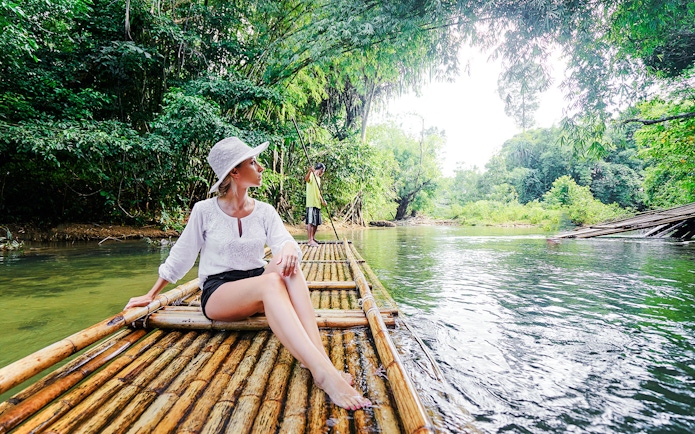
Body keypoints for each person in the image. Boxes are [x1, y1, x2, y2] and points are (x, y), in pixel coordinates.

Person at [124, 137, 370, 411]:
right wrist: (151, 294)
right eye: (253, 162)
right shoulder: (204, 211)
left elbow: (285, 241)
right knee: (272, 282)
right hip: (220, 293)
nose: (261, 167)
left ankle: (319, 361)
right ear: (234, 172)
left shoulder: (265, 211)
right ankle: (324, 373)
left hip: (258, 282)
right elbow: (181, 255)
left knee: (288, 267)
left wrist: (289, 248)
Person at [305, 162, 327, 247]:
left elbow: (318, 192)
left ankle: (313, 238)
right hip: (311, 202)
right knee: (310, 222)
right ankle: (310, 240)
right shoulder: (312, 175)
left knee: (316, 222)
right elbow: (306, 179)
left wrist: (322, 200)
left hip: (317, 203)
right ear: (321, 170)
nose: (323, 173)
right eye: (323, 171)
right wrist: (309, 171)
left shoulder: (318, 179)